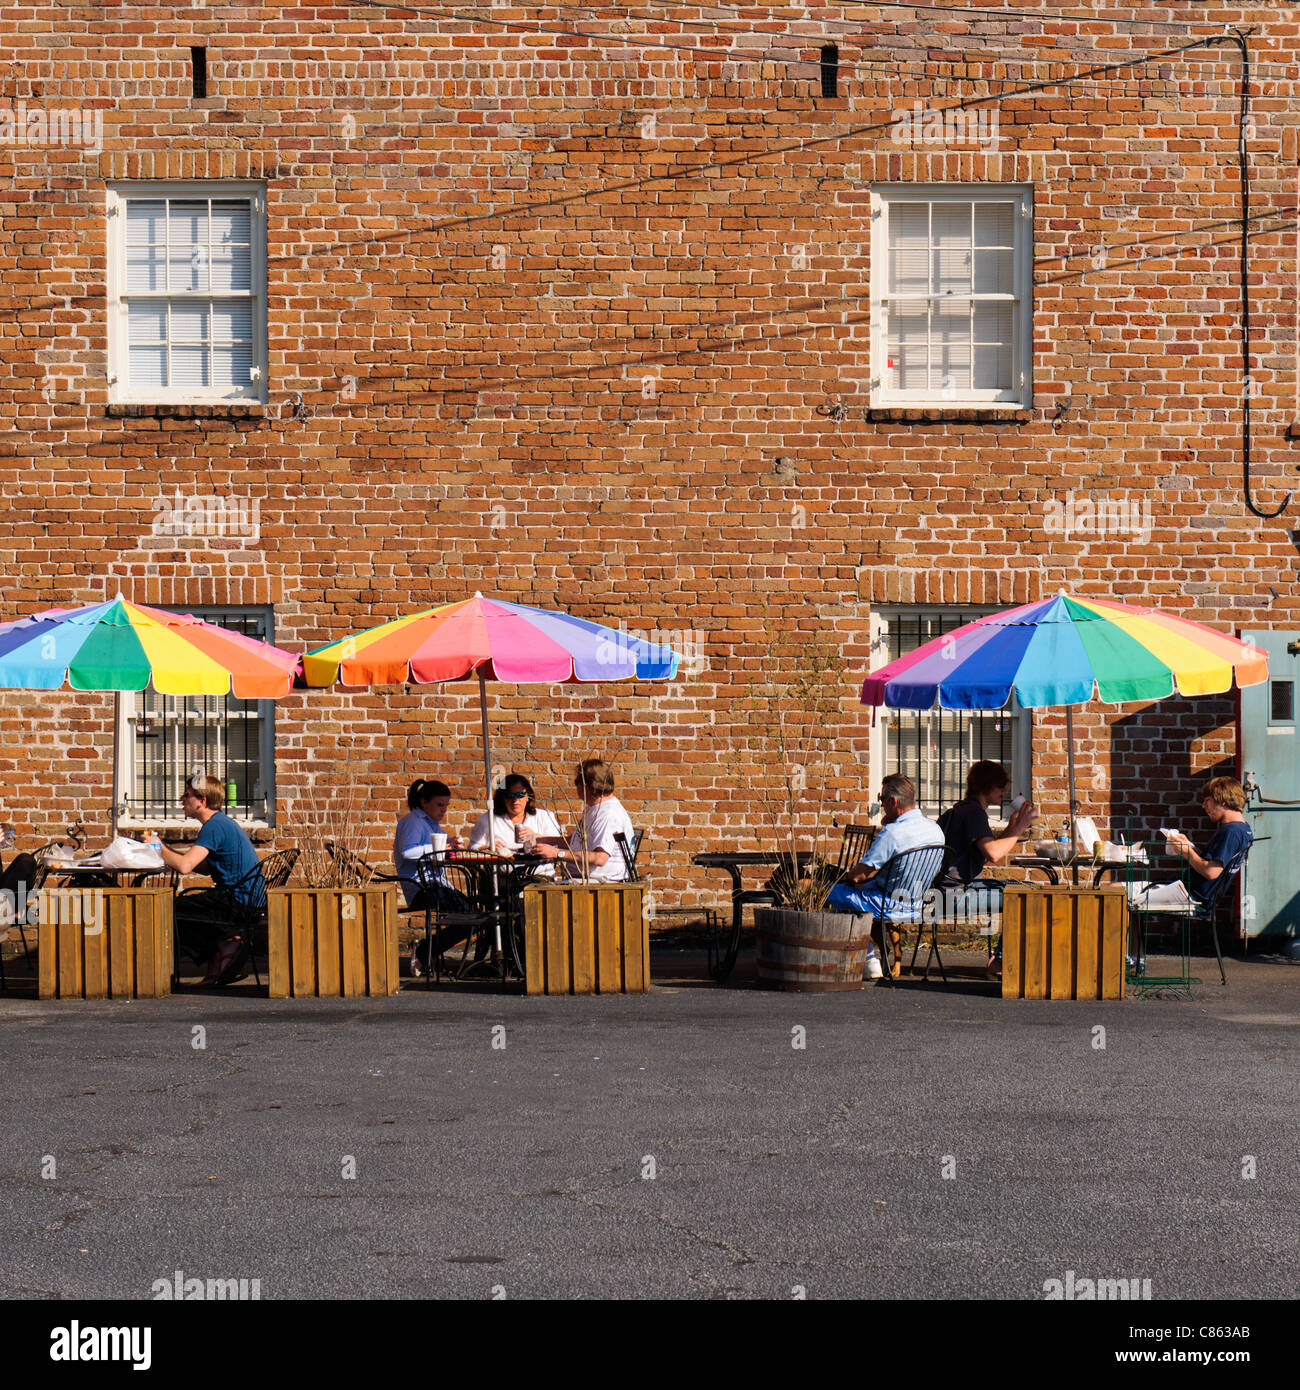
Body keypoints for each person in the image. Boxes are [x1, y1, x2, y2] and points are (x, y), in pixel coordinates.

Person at [827, 773, 945, 980]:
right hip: (919, 904)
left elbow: (860, 874)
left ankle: (868, 958)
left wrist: (847, 875)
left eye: (882, 800)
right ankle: (868, 956)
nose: (881, 805)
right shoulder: (935, 830)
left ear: (893, 801)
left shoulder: (893, 833)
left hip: (887, 904)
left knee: (828, 893)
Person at [161, 775, 264, 986]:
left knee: (168, 908)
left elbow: (184, 867)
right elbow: (205, 868)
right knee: (185, 907)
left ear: (202, 800)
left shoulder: (214, 826)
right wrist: (166, 849)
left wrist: (157, 848)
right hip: (246, 898)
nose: (182, 799)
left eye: (187, 795)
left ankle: (221, 948)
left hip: (238, 901)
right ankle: (221, 953)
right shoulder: (221, 823)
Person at [1126, 776, 1253, 911]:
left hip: (1190, 897)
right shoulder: (1244, 829)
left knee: (1119, 893)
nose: (1204, 806)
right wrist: (1190, 847)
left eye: (1207, 801)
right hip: (1191, 893)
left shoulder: (1231, 832)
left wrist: (1187, 852)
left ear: (1223, 801)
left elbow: (1211, 872)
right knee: (1125, 896)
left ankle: (1120, 933)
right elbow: (1216, 862)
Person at [533, 758, 634, 882]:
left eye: (577, 782)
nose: (576, 787)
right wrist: (540, 840)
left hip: (601, 886)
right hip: (587, 881)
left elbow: (600, 858)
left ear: (587, 785)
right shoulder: (594, 808)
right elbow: (574, 841)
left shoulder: (608, 814)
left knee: (536, 888)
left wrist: (557, 853)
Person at [468, 773, 563, 877]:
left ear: (528, 796)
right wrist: (488, 848)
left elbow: (558, 846)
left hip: (540, 876)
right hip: (502, 879)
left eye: (520, 795)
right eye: (510, 795)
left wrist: (537, 837)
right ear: (503, 798)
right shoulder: (488, 819)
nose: (515, 800)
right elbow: (471, 850)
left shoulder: (544, 816)